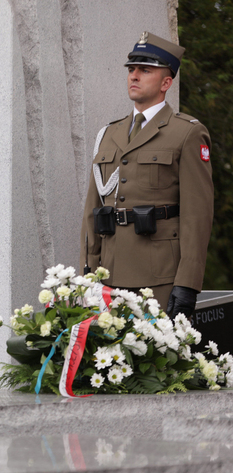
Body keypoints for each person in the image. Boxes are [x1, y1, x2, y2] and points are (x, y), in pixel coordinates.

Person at [79, 31, 213, 320]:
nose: (134, 76)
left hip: (160, 279)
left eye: (145, 70)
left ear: (166, 82)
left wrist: (187, 283)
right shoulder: (108, 134)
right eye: (131, 69)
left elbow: (197, 215)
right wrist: (88, 274)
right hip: (109, 277)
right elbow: (93, 210)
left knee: (160, 364)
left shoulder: (187, 132)